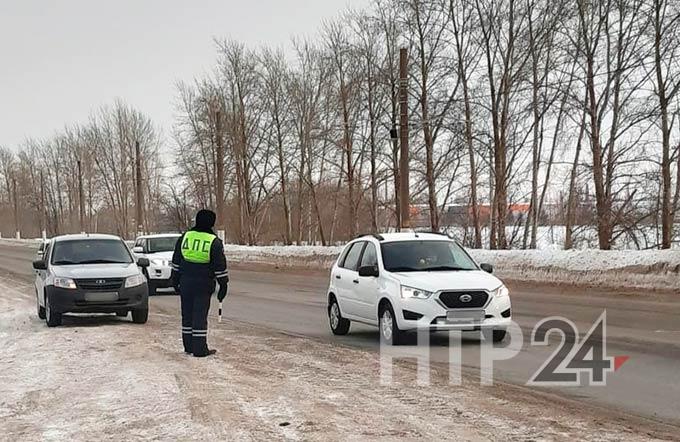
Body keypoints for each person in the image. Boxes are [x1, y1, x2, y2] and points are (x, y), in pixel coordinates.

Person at [171, 209, 229, 357]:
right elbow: (220, 266)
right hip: (203, 284)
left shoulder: (185, 237)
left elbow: (176, 261)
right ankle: (199, 349)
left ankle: (188, 346)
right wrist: (223, 285)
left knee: (187, 315)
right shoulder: (213, 241)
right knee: (199, 316)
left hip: (185, 282)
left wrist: (174, 280)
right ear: (212, 223)